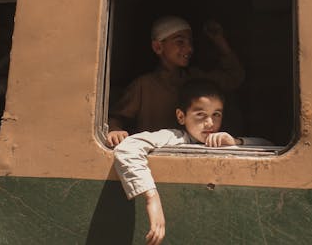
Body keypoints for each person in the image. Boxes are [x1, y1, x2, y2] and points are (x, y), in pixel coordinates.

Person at [114, 79, 272, 245]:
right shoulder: (174, 137)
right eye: (200, 115)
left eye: (216, 114)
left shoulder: (224, 140)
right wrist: (151, 198)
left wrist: (235, 142)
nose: (210, 123)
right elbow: (127, 148)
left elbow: (267, 146)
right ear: (181, 116)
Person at [107, 15, 245, 147]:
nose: (189, 48)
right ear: (158, 47)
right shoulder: (143, 85)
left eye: (190, 42)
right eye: (180, 42)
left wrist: (219, 41)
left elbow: (234, 77)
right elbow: (117, 116)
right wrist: (114, 130)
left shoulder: (196, 78)